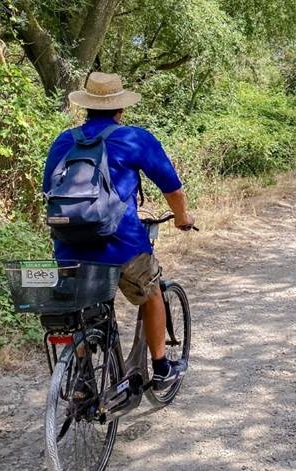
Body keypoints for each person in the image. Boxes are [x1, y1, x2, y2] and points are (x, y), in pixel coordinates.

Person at [43, 72, 195, 390]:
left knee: (79, 309)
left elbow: (49, 191)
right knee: (151, 292)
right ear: (121, 108)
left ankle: (83, 382)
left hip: (69, 246)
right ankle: (161, 368)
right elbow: (173, 189)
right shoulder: (134, 138)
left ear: (86, 107)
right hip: (121, 244)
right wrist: (182, 218)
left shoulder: (64, 141)